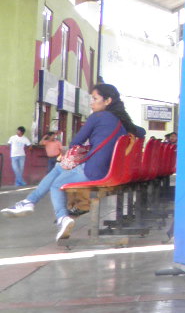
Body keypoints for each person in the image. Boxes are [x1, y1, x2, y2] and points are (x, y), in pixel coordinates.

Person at [1, 85, 132, 240]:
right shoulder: (122, 123)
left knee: (57, 184)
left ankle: (62, 217)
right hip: (110, 170)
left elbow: (76, 141)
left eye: (95, 99)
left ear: (108, 100)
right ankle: (29, 201)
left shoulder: (97, 117)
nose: (91, 103)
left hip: (94, 170)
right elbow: (140, 132)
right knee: (58, 167)